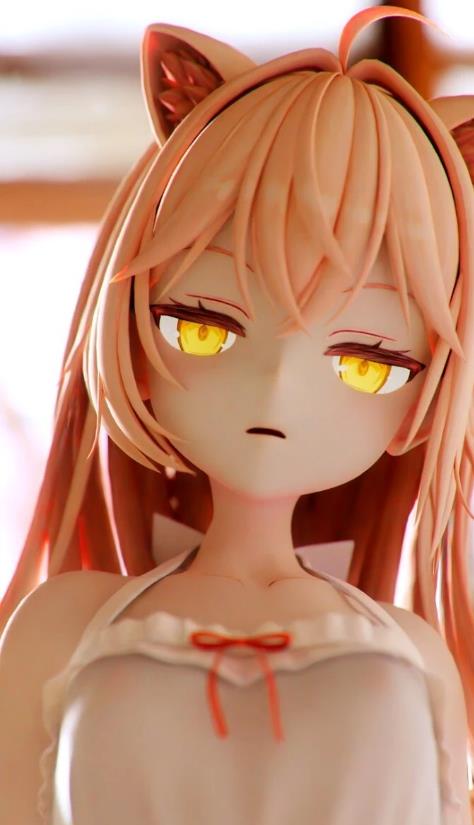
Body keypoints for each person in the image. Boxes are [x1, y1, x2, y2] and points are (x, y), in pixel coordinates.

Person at [1, 6, 473, 823]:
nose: (279, 384)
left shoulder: (412, 648)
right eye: (203, 327)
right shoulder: (65, 622)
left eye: (366, 363)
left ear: (423, 395)